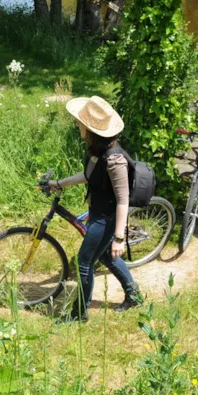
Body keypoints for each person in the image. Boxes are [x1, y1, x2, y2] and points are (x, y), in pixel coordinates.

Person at [46, 96, 142, 322]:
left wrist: (119, 237)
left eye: (81, 122)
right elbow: (89, 176)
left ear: (90, 129)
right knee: (108, 257)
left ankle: (79, 314)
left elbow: (123, 199)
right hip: (98, 213)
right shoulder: (96, 150)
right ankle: (134, 294)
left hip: (106, 219)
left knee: (84, 263)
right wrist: (59, 183)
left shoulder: (114, 158)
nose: (77, 125)